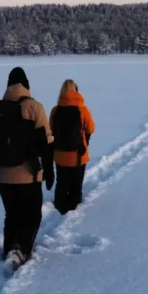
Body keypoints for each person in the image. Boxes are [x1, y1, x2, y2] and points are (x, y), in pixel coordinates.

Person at [0, 67, 53, 266]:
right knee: (32, 215)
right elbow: (46, 143)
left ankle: (8, 249)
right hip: (28, 174)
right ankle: (20, 250)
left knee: (11, 214)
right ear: (27, 85)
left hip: (2, 174)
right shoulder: (33, 107)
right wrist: (49, 170)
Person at [49, 79, 95, 214]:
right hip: (79, 155)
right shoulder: (83, 110)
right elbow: (91, 128)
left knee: (61, 183)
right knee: (76, 183)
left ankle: (59, 206)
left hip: (59, 154)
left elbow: (51, 129)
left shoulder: (55, 110)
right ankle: (74, 209)